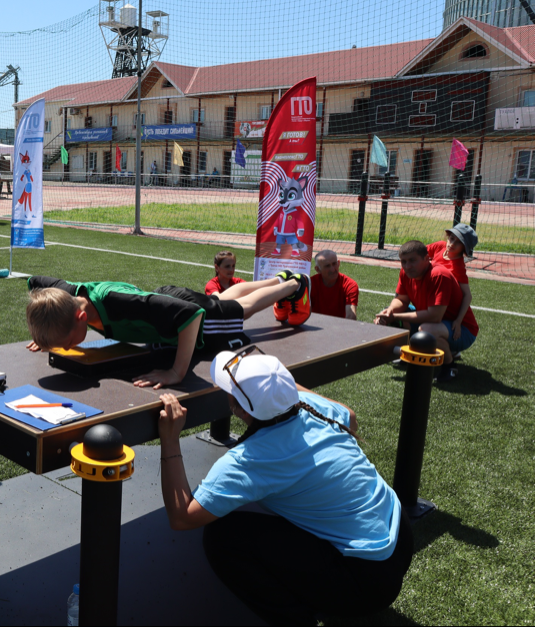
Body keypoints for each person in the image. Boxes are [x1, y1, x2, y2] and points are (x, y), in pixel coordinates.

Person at [155, 348, 413, 625]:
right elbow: (349, 416)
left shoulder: (250, 459)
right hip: (400, 537)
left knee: (223, 537)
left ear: (239, 408)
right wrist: (279, 385)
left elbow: (182, 517)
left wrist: (170, 438)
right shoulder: (311, 407)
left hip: (366, 583)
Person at [25, 271, 311, 389]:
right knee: (222, 300)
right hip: (164, 303)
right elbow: (34, 282)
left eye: (65, 342)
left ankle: (294, 285)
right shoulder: (65, 295)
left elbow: (191, 316)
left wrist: (176, 372)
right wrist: (45, 332)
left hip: (185, 317)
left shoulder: (117, 303)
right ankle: (278, 279)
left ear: (80, 317)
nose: (65, 348)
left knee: (241, 309)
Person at [373, 240, 478, 382]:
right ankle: (408, 354)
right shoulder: (405, 272)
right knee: (387, 313)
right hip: (437, 323)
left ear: (426, 258)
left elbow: (434, 316)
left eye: (412, 260)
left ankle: (449, 367)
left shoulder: (439, 275)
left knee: (427, 330)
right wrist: (390, 311)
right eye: (403, 261)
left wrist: (395, 316)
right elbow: (402, 299)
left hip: (462, 330)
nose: (407, 266)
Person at [426, 224, 477, 354]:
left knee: (426, 329)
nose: (452, 243)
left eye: (458, 242)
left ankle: (450, 353)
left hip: (458, 323)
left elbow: (467, 296)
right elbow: (419, 254)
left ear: (464, 248)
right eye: (452, 238)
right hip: (438, 310)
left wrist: (458, 321)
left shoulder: (457, 267)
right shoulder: (439, 246)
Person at [310, 249, 358, 320]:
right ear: (317, 269)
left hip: (339, 325)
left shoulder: (350, 285)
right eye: (327, 266)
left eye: (334, 264)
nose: (332, 269)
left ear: (338, 263)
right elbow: (304, 312)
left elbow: (351, 316)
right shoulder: (310, 284)